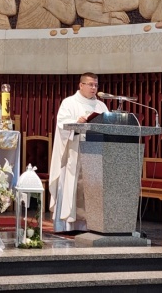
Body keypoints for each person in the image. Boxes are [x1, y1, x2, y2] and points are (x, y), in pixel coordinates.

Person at [48, 72, 108, 233]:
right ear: (81, 85)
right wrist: (77, 122)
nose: (94, 88)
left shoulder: (101, 106)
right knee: (74, 185)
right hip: (74, 154)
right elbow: (62, 125)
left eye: (96, 85)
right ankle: (69, 224)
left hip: (96, 154)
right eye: (90, 84)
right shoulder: (69, 103)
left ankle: (92, 224)